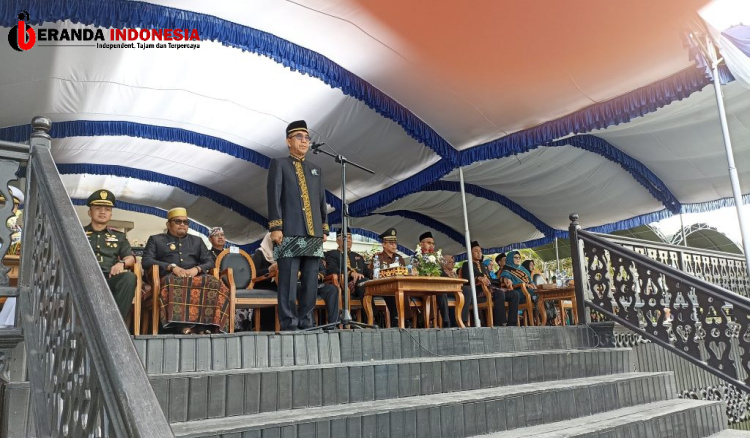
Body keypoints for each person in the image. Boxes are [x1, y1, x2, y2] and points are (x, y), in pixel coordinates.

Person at [267, 120, 329, 331]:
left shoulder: (316, 170)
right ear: (288, 141)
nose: (304, 141)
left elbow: (321, 201)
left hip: (313, 234)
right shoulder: (279, 164)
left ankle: (306, 320)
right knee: (288, 281)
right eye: (299, 137)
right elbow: (274, 196)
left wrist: (324, 228)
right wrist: (276, 226)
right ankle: (289, 322)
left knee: (311, 281)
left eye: (307, 137)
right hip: (289, 232)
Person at [142, 207, 230, 334]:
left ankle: (209, 326)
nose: (182, 224)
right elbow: (146, 261)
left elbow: (210, 261)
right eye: (178, 221)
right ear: (168, 224)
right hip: (169, 276)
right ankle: (180, 327)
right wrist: (171, 267)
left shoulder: (197, 241)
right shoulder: (156, 240)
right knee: (173, 282)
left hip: (195, 275)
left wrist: (197, 269)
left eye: (185, 222)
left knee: (214, 282)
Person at [83, 189, 137, 320]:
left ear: (111, 214)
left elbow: (130, 258)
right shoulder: (78, 232)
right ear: (90, 212)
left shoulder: (119, 236)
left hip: (108, 278)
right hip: (83, 278)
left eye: (107, 209)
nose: (102, 212)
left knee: (129, 277)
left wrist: (121, 263)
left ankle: (115, 322)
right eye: (98, 208)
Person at [460, 241, 520, 326]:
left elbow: (491, 280)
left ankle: (512, 323)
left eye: (480, 251)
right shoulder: (466, 264)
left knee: (514, 294)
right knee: (499, 293)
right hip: (479, 292)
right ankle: (500, 323)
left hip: (492, 290)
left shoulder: (483, 266)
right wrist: (478, 278)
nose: (479, 253)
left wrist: (504, 279)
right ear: (470, 253)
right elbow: (466, 279)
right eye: (476, 251)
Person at [369, 227, 405, 326]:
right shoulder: (378, 257)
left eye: (395, 243)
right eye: (391, 243)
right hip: (382, 286)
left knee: (403, 290)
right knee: (393, 291)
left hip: (397, 286)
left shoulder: (399, 258)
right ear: (384, 244)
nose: (394, 245)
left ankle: (405, 319)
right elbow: (372, 273)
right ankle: (396, 320)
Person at [325, 227, 369, 300]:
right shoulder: (332, 254)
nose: (348, 240)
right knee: (364, 284)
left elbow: (366, 272)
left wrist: (375, 273)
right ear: (337, 241)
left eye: (350, 238)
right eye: (345, 237)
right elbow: (332, 269)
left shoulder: (358, 256)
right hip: (343, 285)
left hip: (362, 284)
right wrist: (350, 273)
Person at [439, 254, 474, 327]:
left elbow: (460, 284)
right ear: (443, 263)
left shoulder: (453, 273)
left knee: (467, 291)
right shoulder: (439, 271)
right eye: (450, 262)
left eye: (453, 262)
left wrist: (454, 277)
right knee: (442, 293)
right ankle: (447, 321)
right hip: (444, 289)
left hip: (454, 290)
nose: (452, 264)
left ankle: (462, 320)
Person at [316, 259, 340, 327]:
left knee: (332, 289)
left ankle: (333, 324)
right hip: (302, 284)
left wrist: (318, 275)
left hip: (317, 285)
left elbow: (323, 271)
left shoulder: (317, 257)